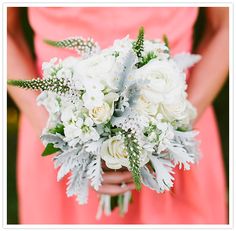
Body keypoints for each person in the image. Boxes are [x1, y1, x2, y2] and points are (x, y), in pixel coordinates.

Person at [7, 7, 229, 224]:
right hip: (59, 126)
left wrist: (172, 127)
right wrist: (60, 136)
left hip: (172, 126)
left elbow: (225, 24)